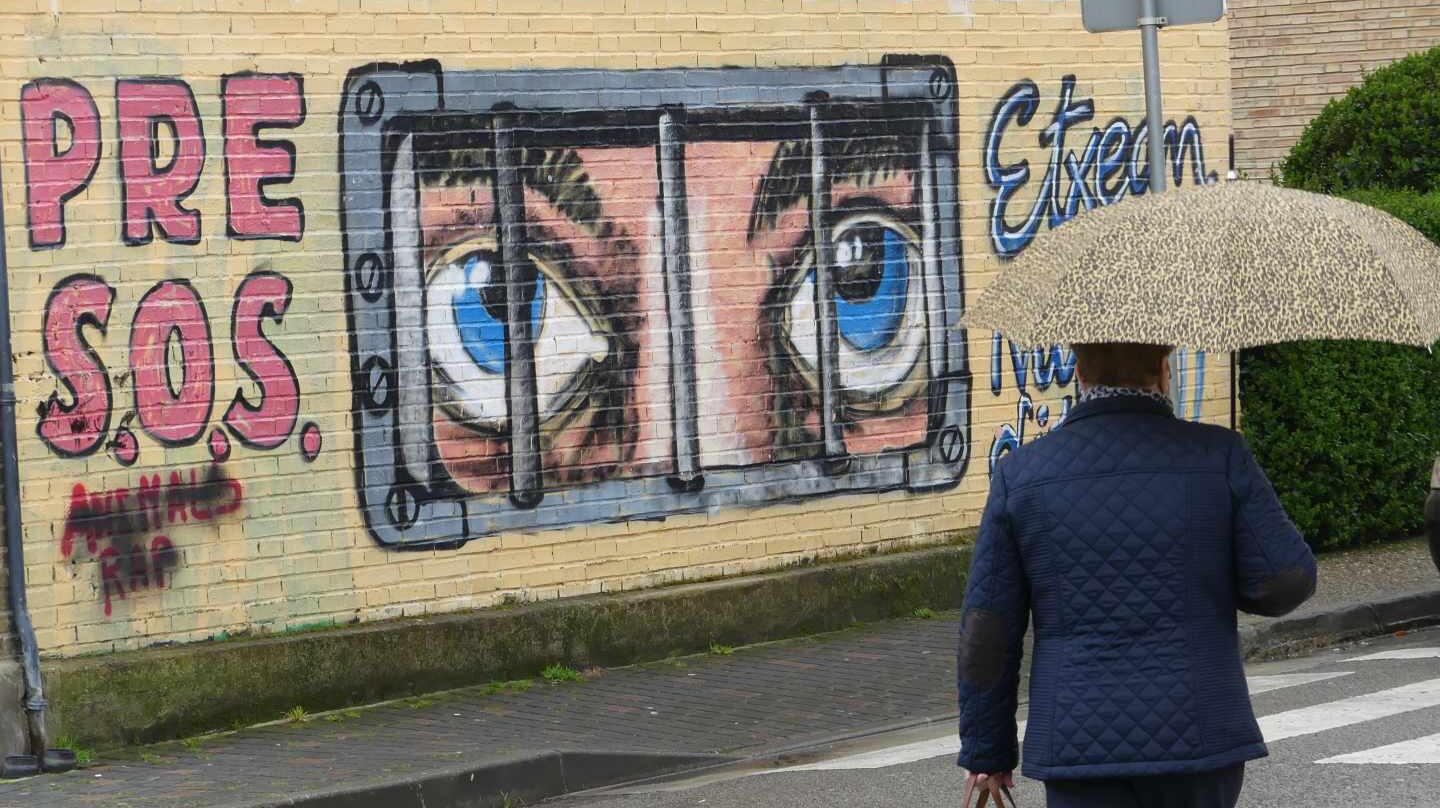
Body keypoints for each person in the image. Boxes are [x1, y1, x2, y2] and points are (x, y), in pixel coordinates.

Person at [957, 342, 1317, 808]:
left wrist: (988, 750)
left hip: (1078, 740)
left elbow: (987, 631)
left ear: (1080, 376)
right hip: (1201, 734)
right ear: (1163, 373)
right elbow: (1286, 581)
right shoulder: (1219, 455)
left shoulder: (1020, 476)